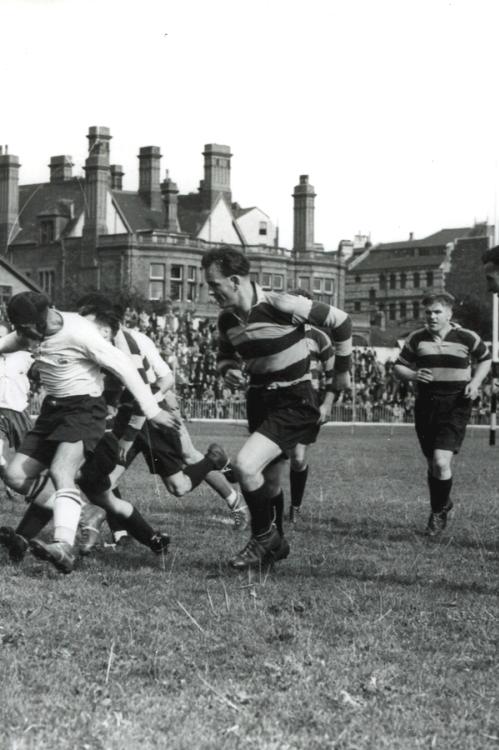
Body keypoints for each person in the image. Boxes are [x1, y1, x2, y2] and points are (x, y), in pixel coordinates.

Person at [0, 291, 186, 573]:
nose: (24, 335)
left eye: (27, 329)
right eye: (21, 329)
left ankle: (63, 545)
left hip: (84, 409)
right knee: (14, 475)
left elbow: (124, 367)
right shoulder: (29, 330)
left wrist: (152, 410)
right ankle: (82, 512)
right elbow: (7, 343)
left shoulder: (81, 333)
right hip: (53, 412)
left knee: (62, 472)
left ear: (46, 314)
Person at [201, 247, 352, 570]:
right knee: (268, 485)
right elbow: (226, 355)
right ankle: (272, 548)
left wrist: (341, 372)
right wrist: (227, 369)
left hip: (294, 400)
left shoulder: (282, 304)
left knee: (244, 467)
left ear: (235, 280)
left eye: (214, 285)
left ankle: (265, 539)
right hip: (259, 400)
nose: (210, 292)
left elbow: (341, 322)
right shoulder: (227, 319)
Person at [394, 292, 491, 535]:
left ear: (449, 313)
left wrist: (476, 382)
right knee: (432, 464)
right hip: (426, 403)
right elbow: (399, 366)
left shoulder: (467, 337)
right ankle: (443, 502)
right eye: (428, 312)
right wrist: (413, 375)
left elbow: (486, 359)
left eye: (437, 312)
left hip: (456, 402)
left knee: (440, 460)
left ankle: (437, 514)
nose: (432, 316)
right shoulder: (417, 339)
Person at [286, 290, 336, 523]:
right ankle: (268, 509)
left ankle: (295, 506)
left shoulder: (319, 337)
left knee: (297, 457)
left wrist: (326, 404)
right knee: (272, 459)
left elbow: (333, 375)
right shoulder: (277, 333)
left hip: (309, 403)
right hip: (281, 401)